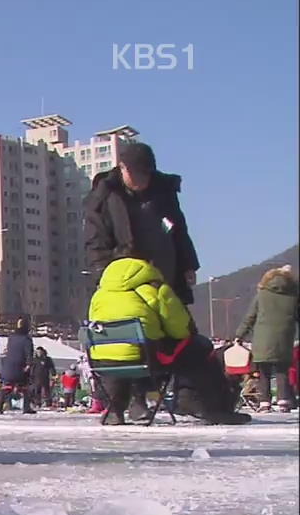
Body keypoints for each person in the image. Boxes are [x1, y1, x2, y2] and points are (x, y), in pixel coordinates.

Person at [87, 257, 249, 425]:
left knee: (121, 353)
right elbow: (180, 329)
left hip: (103, 362)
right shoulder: (155, 289)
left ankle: (115, 410)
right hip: (146, 358)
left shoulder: (99, 295)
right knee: (201, 346)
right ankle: (210, 407)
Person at [84, 141, 199, 305]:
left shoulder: (164, 191)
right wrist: (102, 277)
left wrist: (188, 264)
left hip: (166, 279)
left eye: (145, 175)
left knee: (178, 319)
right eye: (135, 175)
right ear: (122, 168)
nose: (141, 180)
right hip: (127, 282)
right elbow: (96, 241)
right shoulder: (105, 196)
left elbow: (179, 230)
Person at [235, 265, 298, 412]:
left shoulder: (262, 295)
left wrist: (239, 335)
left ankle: (265, 402)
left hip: (263, 339)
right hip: (285, 338)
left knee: (263, 371)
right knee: (282, 370)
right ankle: (283, 401)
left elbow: (250, 317)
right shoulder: (293, 296)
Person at [0, 318, 35, 414]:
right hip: (20, 367)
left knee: (7, 386)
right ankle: (26, 407)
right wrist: (28, 365)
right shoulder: (26, 339)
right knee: (25, 387)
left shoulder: (11, 337)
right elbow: (29, 353)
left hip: (8, 367)